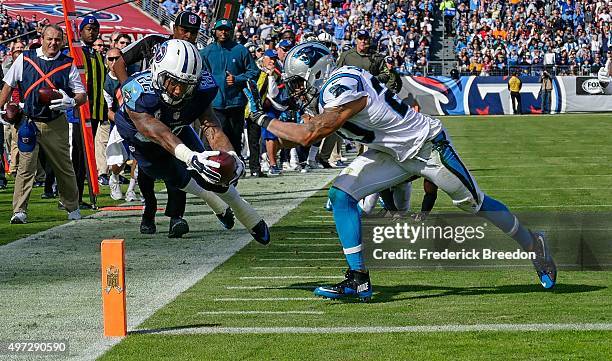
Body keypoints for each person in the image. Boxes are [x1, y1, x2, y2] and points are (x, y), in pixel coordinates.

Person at [245, 42, 557, 301]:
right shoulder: (336, 85)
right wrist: (269, 114)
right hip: (390, 152)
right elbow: (294, 140)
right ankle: (358, 279)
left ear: (317, 72)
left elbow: (308, 136)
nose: (297, 89)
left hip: (426, 148)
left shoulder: (340, 87)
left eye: (299, 81)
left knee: (475, 203)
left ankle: (533, 243)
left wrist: (262, 119)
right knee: (341, 196)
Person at [114, 39, 270, 245]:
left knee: (213, 170)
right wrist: (190, 157)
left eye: (185, 85)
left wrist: (232, 155)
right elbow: (157, 132)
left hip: (177, 126)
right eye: (173, 82)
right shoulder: (137, 91)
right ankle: (214, 201)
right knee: (173, 175)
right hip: (141, 137)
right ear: (158, 73)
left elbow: (211, 127)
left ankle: (245, 213)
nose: (179, 91)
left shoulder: (200, 88)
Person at [113, 10, 215, 237]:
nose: (188, 35)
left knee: (180, 162)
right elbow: (119, 62)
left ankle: (176, 217)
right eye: (184, 30)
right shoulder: (153, 43)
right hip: (146, 115)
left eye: (194, 32)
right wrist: (128, 88)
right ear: (174, 28)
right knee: (146, 169)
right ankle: (149, 210)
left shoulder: (196, 57)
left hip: (177, 117)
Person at [0, 24, 87, 223]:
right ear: (42, 38)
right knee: (25, 166)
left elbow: (82, 94)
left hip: (55, 122)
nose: (53, 43)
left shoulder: (67, 64)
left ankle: (72, 206)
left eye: (57, 39)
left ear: (63, 41)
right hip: (28, 121)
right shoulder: (25, 58)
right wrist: (1, 108)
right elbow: (8, 84)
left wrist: (72, 102)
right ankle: (19, 210)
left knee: (64, 166)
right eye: (50, 38)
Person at [200, 18, 260, 158]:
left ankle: (235, 169)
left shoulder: (240, 50)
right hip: (215, 105)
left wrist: (237, 79)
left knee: (234, 140)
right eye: (220, 29)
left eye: (226, 30)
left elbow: (254, 72)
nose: (223, 32)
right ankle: (214, 168)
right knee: (214, 139)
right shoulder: (206, 52)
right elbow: (201, 76)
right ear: (215, 31)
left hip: (236, 104)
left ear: (231, 32)